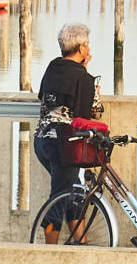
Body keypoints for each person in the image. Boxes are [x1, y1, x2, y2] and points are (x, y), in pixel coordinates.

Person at [34, 23, 100, 198]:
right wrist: (92, 88)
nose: (89, 48)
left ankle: (73, 221)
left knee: (72, 199)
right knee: (59, 200)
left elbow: (43, 96)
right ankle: (49, 225)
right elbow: (88, 115)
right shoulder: (84, 79)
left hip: (41, 141)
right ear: (80, 49)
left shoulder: (52, 67)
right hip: (64, 145)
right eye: (87, 45)